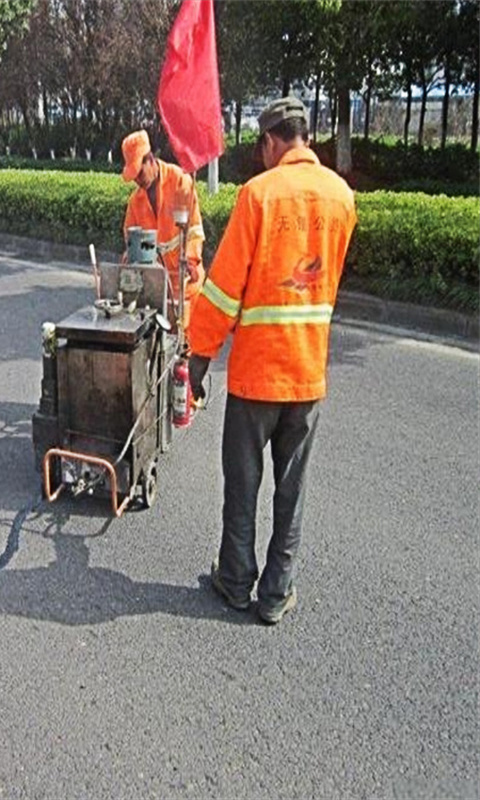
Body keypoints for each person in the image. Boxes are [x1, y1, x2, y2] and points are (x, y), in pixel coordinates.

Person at [186, 97, 357, 625]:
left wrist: (198, 358)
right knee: (292, 489)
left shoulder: (258, 196)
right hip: (308, 376)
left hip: (256, 376)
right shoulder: (342, 197)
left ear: (270, 142)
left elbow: (223, 291)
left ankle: (235, 582)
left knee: (242, 486)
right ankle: (277, 592)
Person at [121, 129, 205, 327]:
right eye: (133, 176)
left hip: (185, 281)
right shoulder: (136, 201)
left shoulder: (180, 182)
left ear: (150, 160)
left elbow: (193, 230)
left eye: (139, 173)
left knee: (185, 346)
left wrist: (191, 260)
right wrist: (128, 258)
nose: (137, 180)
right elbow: (130, 241)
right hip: (158, 285)